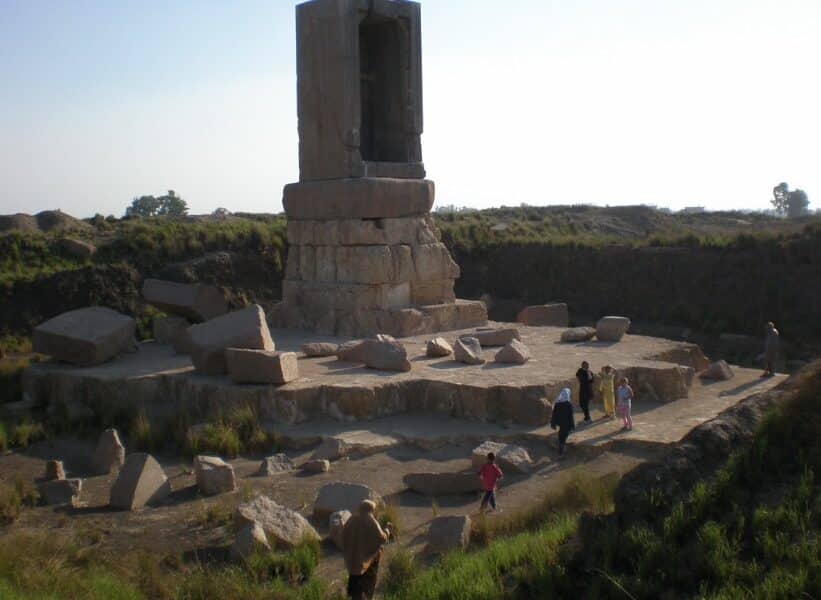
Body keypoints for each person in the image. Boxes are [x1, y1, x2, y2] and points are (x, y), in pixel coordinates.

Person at [342, 500, 391, 600]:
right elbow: (382, 538)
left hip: (352, 563)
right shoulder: (370, 520)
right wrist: (387, 530)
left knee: (355, 590)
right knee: (366, 589)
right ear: (371, 509)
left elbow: (343, 535)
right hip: (366, 564)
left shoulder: (352, 519)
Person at [550, 387, 575, 455]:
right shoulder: (568, 405)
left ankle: (561, 447)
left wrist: (553, 423)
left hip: (560, 422)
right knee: (564, 435)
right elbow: (571, 416)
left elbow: (554, 414)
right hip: (567, 423)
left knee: (561, 434)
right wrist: (572, 426)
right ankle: (561, 450)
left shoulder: (557, 403)